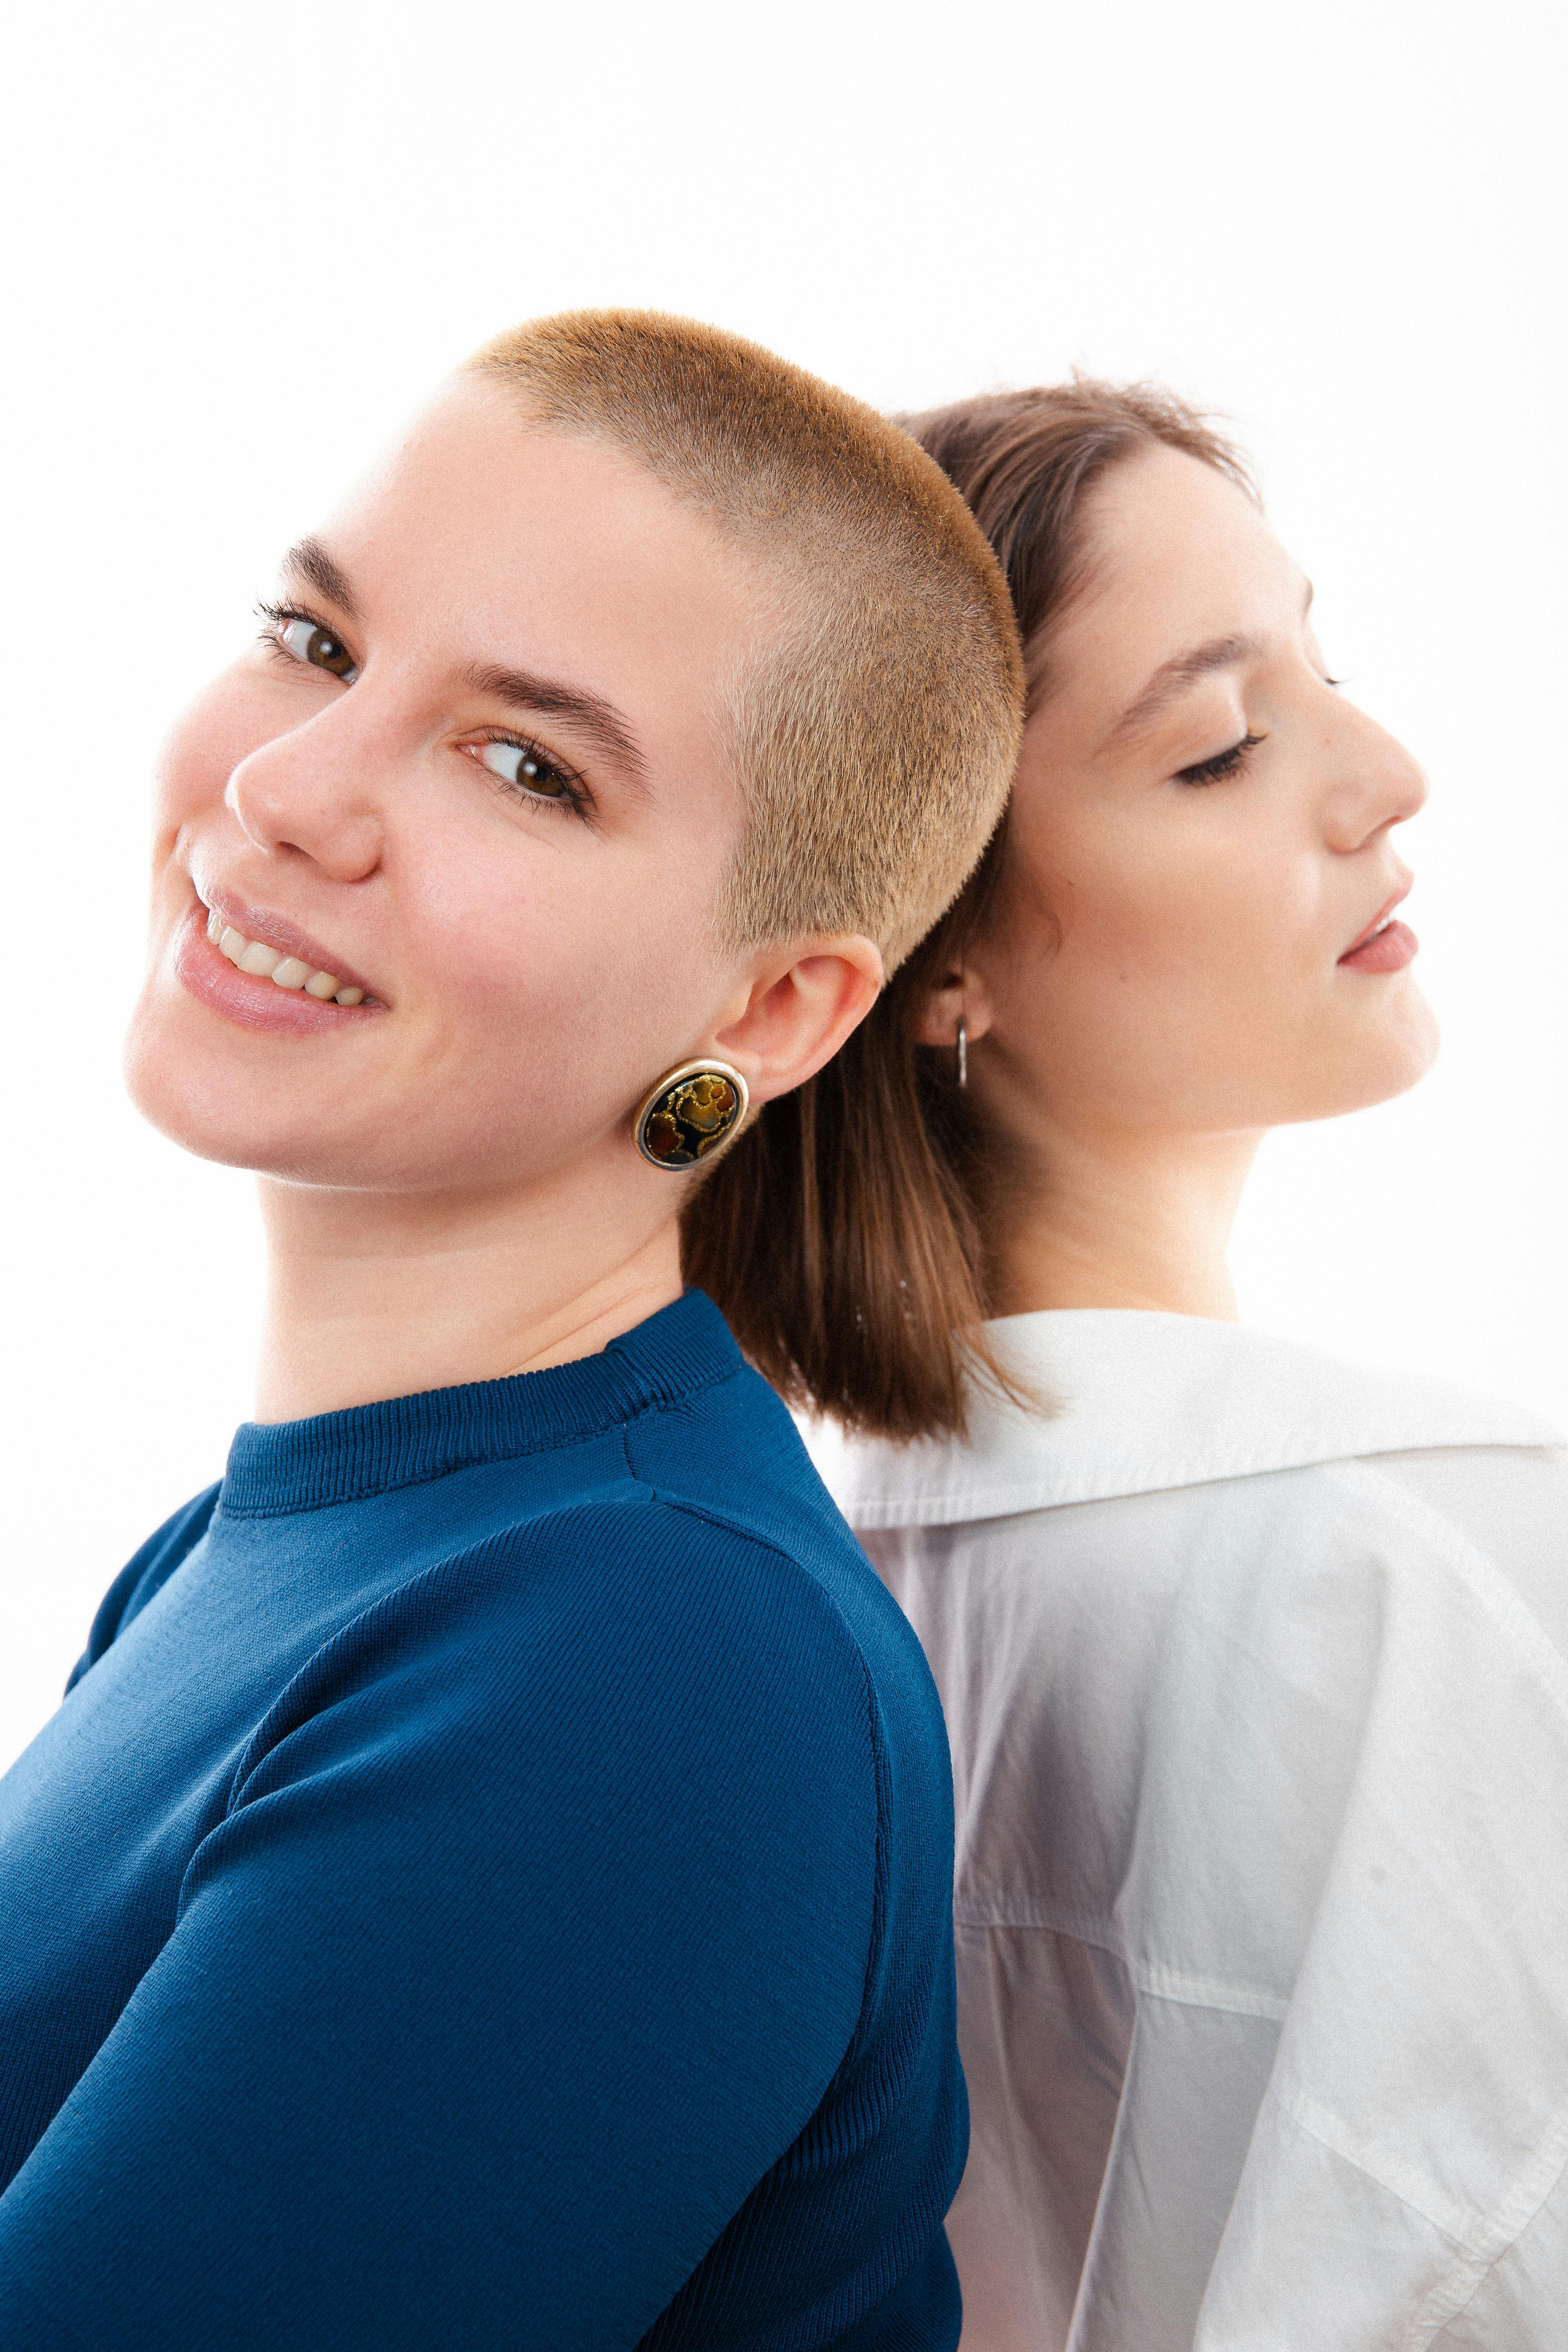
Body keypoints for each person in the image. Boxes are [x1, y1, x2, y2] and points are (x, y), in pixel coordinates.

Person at [0, 310, 1025, 2348]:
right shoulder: (263, 1547)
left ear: (768, 1015)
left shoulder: (648, 1663)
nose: (290, 791)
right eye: (313, 640)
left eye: (524, 765)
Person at [805, 382, 1568, 2349]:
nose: (1386, 772)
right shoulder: (1417, 1559)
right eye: (1220, 749)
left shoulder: (835, 1584)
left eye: (1330, 673)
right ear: (928, 947)